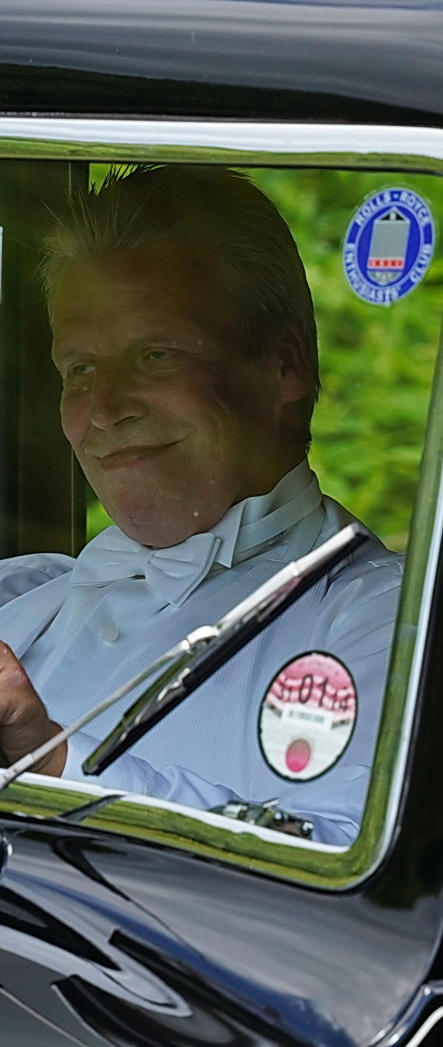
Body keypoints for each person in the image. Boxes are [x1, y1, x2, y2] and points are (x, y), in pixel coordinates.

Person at [0, 165, 401, 846]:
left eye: (155, 355)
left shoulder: (384, 619)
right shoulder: (27, 593)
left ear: (285, 364)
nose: (104, 409)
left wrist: (54, 760)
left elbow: (340, 865)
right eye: (81, 369)